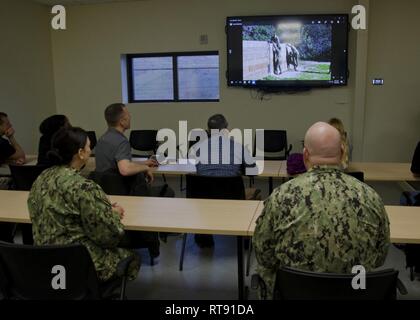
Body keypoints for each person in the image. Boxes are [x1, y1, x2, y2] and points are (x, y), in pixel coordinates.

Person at [253, 122, 390, 299]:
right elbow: (380, 256)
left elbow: (264, 254)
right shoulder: (370, 197)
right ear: (342, 153)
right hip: (354, 294)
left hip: (295, 294)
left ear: (305, 155)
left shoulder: (281, 196)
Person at [27, 127, 140, 282]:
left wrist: (102, 210)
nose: (90, 150)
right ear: (80, 153)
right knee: (132, 257)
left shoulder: (41, 178)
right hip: (79, 264)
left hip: (44, 260)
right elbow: (107, 237)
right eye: (88, 146)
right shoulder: (83, 187)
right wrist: (113, 213)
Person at [189, 114, 258, 247]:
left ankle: (204, 239)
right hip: (233, 200)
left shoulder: (197, 148)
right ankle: (245, 239)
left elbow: (199, 169)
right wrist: (240, 169)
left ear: (208, 131)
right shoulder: (238, 147)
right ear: (227, 129)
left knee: (207, 188)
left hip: (203, 201)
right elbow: (252, 172)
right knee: (256, 194)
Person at [0, 112, 26, 242]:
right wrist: (11, 137)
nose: (10, 125)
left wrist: (9, 160)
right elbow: (21, 154)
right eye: (7, 123)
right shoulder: (2, 143)